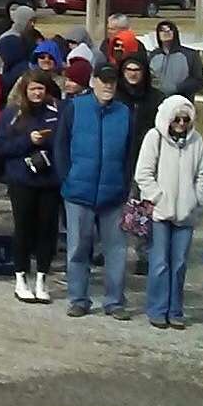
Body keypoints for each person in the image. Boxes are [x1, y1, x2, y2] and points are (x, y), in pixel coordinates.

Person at [56, 64, 134, 318]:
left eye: (112, 81)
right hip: (79, 192)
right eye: (103, 80)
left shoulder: (124, 113)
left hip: (113, 195)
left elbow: (130, 154)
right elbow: (61, 146)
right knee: (78, 249)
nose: (108, 86)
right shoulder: (74, 108)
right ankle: (78, 299)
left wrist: (124, 185)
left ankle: (114, 301)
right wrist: (67, 178)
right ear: (93, 83)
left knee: (116, 251)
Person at [135, 95, 203, 330]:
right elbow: (143, 174)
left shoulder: (196, 141)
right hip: (160, 213)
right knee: (159, 263)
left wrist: (195, 199)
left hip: (185, 214)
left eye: (185, 119)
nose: (180, 123)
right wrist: (157, 198)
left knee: (179, 264)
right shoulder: (154, 138)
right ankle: (157, 309)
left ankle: (175, 310)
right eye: (176, 119)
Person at [0, 71, 63, 303]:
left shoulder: (56, 111)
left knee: (47, 230)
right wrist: (27, 141)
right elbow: (1, 147)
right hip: (22, 179)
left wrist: (47, 143)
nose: (37, 93)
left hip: (49, 181)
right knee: (23, 228)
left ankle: (42, 278)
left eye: (41, 89)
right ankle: (21, 277)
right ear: (25, 89)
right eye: (33, 88)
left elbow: (65, 140)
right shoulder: (12, 114)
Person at [146, 19, 203, 99]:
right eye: (162, 30)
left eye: (170, 29)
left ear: (175, 33)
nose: (166, 32)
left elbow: (199, 81)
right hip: (156, 101)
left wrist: (177, 88)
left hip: (181, 101)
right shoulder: (152, 56)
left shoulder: (190, 55)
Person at [0, 5, 41, 88]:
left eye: (34, 21)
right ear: (22, 21)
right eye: (30, 21)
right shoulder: (8, 39)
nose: (33, 24)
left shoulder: (31, 36)